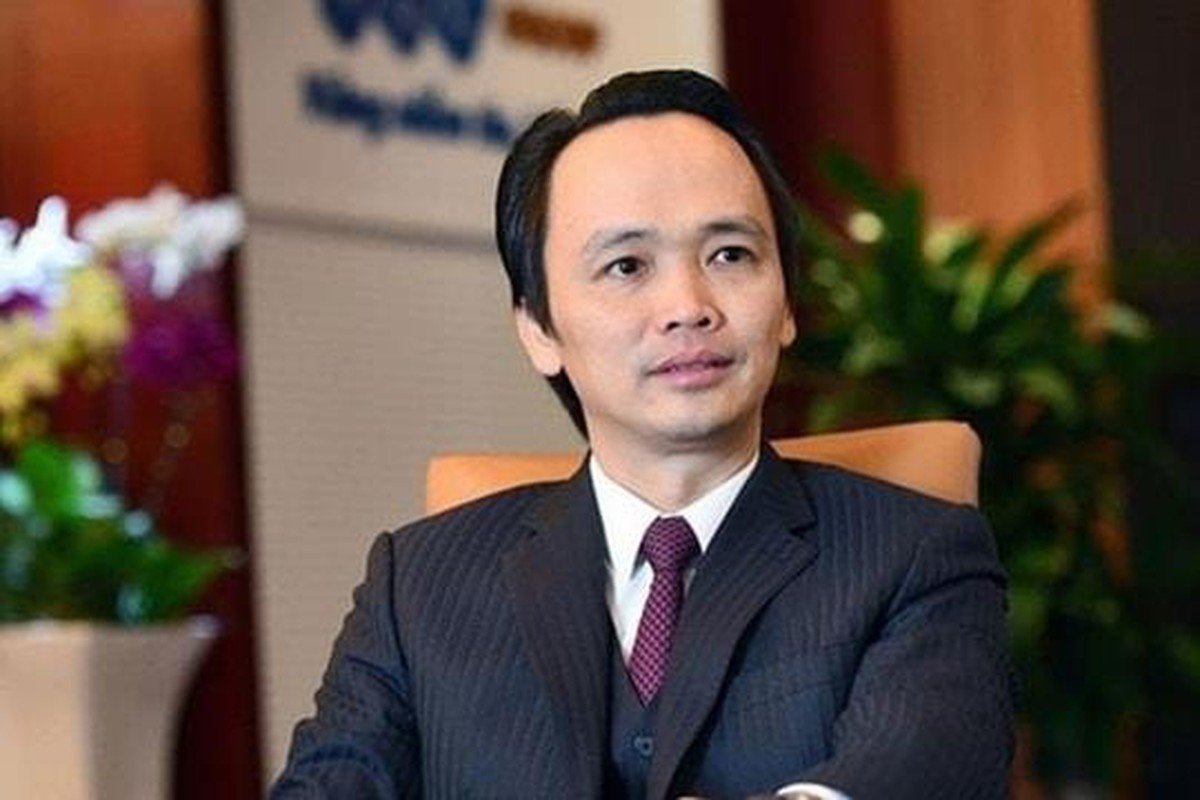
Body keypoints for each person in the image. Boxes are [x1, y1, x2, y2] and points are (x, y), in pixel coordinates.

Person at [271, 69, 1014, 799]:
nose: (688, 305)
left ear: (787, 302)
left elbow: (918, 769)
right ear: (538, 329)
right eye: (626, 265)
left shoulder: (916, 555)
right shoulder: (416, 587)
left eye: (730, 255)